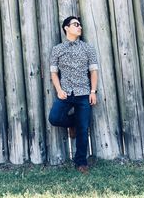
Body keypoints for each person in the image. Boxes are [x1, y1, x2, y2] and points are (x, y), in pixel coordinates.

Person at [48, 16, 98, 174]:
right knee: (54, 118)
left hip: (84, 93)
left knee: (83, 129)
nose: (79, 27)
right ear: (66, 28)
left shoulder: (88, 48)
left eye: (80, 25)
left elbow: (93, 71)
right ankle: (72, 123)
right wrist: (59, 89)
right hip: (66, 93)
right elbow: (54, 73)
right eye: (76, 24)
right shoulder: (57, 49)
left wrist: (93, 91)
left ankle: (81, 163)